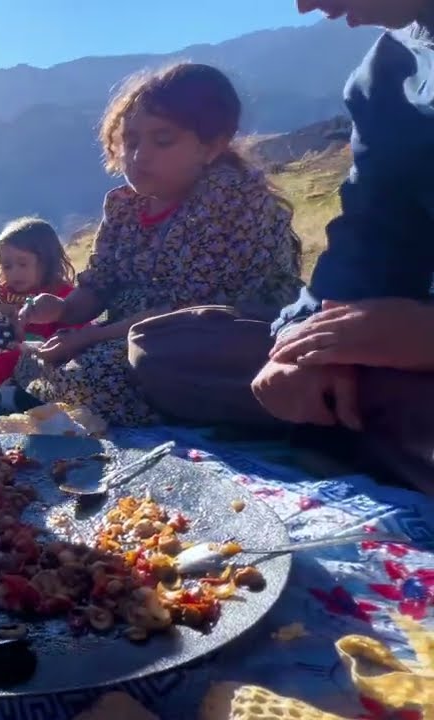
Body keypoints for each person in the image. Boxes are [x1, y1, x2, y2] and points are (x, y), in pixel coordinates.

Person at [128, 0, 434, 489]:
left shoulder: (230, 200)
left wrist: (422, 334)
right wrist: (302, 342)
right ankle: (347, 415)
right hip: (389, 347)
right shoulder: (383, 75)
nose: (307, 5)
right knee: (161, 350)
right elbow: (371, 235)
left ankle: (349, 425)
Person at [16, 62, 303, 426]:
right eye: (131, 141)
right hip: (130, 331)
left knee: (100, 374)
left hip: (212, 332)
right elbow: (99, 284)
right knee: (34, 357)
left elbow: (189, 308)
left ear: (211, 146)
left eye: (163, 140)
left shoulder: (230, 197)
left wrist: (88, 337)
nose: (139, 156)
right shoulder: (124, 205)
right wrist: (59, 310)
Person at [0, 217, 81, 388]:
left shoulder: (62, 295)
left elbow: (74, 333)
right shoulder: (1, 293)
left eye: (22, 264)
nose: (15, 273)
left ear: (46, 262)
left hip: (40, 373)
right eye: (7, 266)